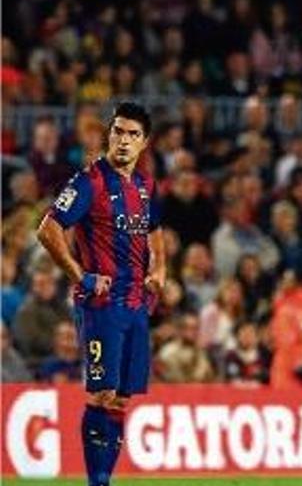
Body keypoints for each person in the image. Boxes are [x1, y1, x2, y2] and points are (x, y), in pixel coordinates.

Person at [36, 102, 165, 486]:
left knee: (122, 397)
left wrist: (159, 269)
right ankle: (97, 483)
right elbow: (48, 229)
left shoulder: (145, 186)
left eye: (133, 134)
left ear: (145, 142)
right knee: (103, 392)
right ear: (109, 134)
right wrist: (80, 275)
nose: (124, 140)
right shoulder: (89, 181)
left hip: (136, 305)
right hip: (102, 305)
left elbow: (154, 231)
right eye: (118, 132)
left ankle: (105, 477)